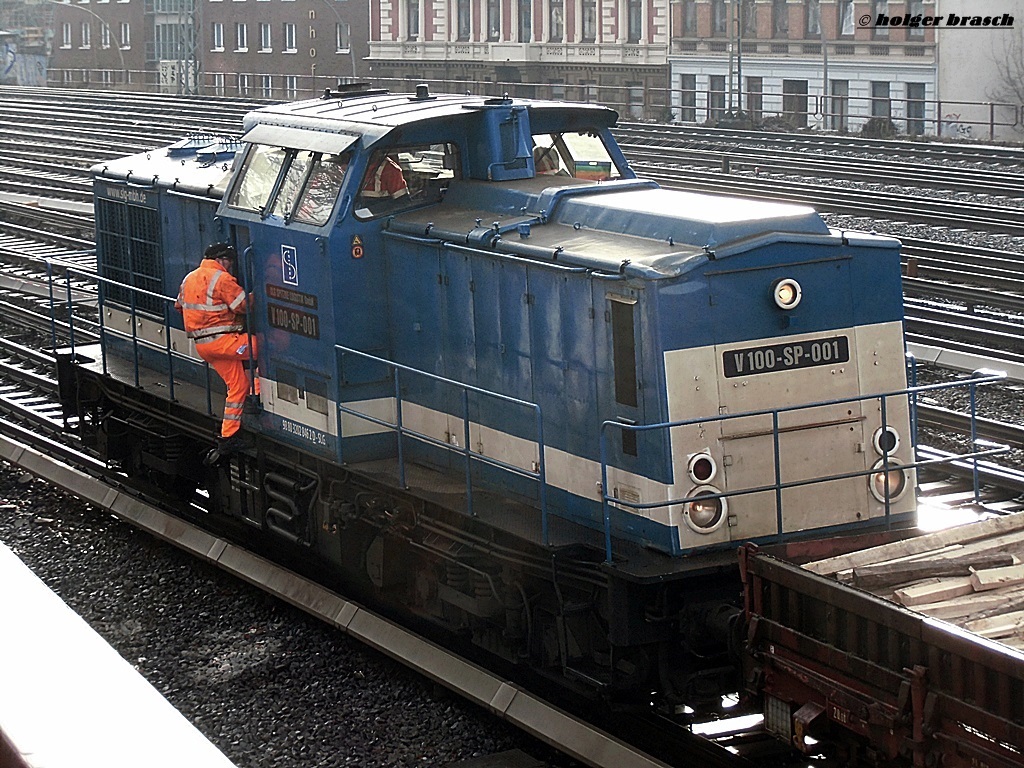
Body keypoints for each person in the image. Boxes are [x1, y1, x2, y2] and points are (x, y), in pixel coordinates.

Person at [175, 243, 260, 459]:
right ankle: (258, 394)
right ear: (221, 260)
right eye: (229, 261)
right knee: (264, 348)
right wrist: (261, 294)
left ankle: (227, 438)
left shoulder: (189, 278)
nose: (230, 266)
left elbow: (179, 306)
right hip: (224, 343)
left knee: (238, 385)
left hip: (203, 346)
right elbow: (243, 306)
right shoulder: (221, 279)